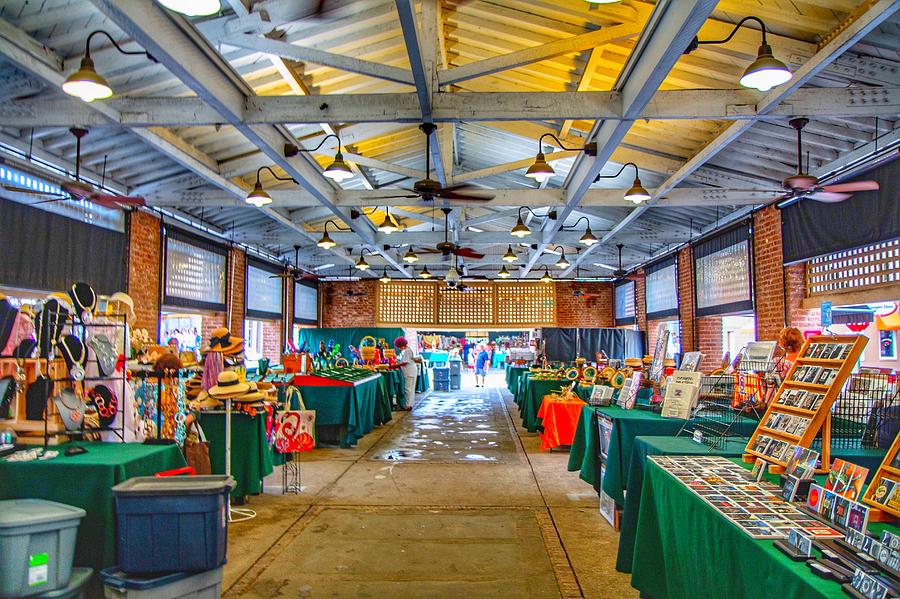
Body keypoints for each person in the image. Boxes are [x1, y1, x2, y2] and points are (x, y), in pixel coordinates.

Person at [395, 336, 418, 411]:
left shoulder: (407, 351)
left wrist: (395, 366)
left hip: (409, 371)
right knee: (411, 388)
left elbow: (405, 362)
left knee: (408, 389)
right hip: (411, 371)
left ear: (401, 345)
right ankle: (410, 404)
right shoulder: (408, 350)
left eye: (399, 347)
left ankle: (408, 405)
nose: (399, 348)